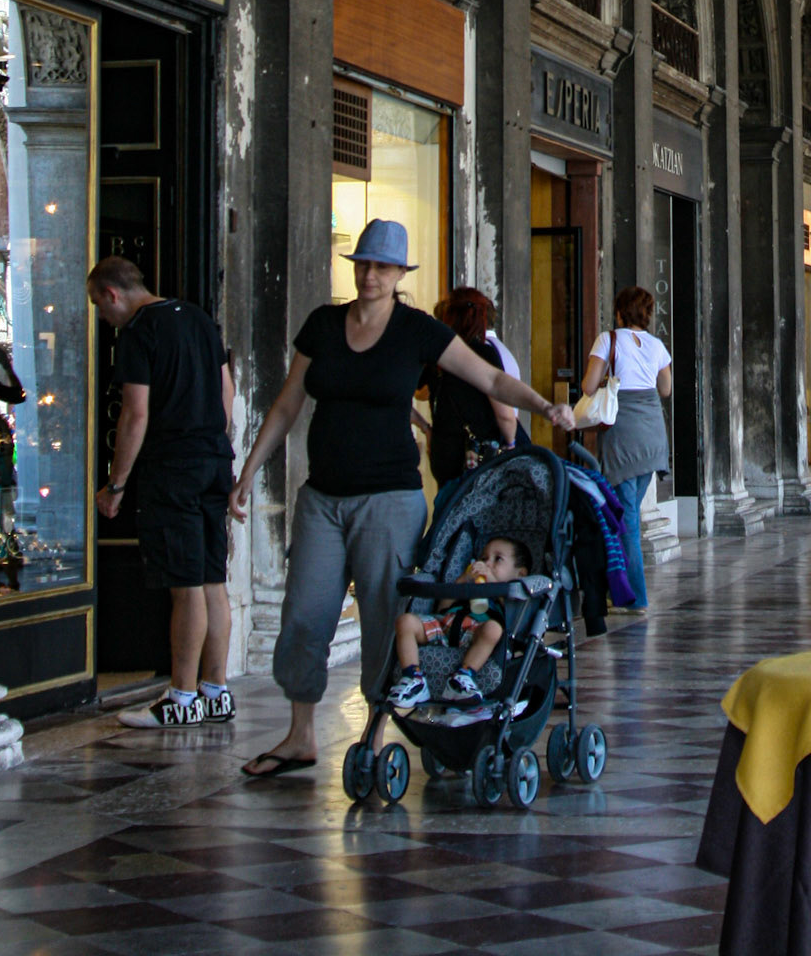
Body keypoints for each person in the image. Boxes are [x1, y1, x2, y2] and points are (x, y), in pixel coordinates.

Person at [230, 219, 573, 778]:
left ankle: (375, 732)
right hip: (322, 497)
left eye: (383, 267)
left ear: (399, 275)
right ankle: (299, 736)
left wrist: (543, 405)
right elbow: (288, 403)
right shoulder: (322, 325)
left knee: (384, 617)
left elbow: (489, 381)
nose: (370, 275)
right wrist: (248, 471)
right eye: (363, 264)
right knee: (303, 616)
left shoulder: (416, 330)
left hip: (389, 500)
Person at [89, 256, 236, 730]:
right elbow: (226, 392)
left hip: (172, 467)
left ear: (113, 294)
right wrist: (212, 439)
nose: (101, 316)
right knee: (213, 579)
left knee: (186, 584)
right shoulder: (197, 318)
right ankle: (216, 692)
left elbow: (135, 415)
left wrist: (116, 484)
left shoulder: (139, 331)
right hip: (214, 459)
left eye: (98, 304)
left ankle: (181, 695)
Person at [579, 285, 671, 613]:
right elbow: (665, 389)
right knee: (626, 510)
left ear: (619, 312)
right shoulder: (657, 345)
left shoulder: (608, 340)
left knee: (627, 515)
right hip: (653, 434)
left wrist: (606, 381)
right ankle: (616, 585)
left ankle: (634, 595)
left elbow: (588, 386)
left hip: (623, 434)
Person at [386, 534, 530, 711]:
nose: (487, 564)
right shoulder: (469, 583)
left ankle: (464, 676)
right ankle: (413, 678)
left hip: (476, 632)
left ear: (520, 573)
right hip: (445, 624)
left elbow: (509, 617)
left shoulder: (509, 598)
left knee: (493, 630)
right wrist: (463, 580)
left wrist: (491, 584)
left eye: (497, 559)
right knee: (405, 621)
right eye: (483, 558)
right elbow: (442, 608)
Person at [423, 288, 517, 484]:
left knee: (448, 508)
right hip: (476, 454)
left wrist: (425, 428)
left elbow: (407, 392)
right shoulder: (485, 353)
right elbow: (505, 414)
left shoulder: (436, 355)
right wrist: (511, 443)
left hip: (443, 454)